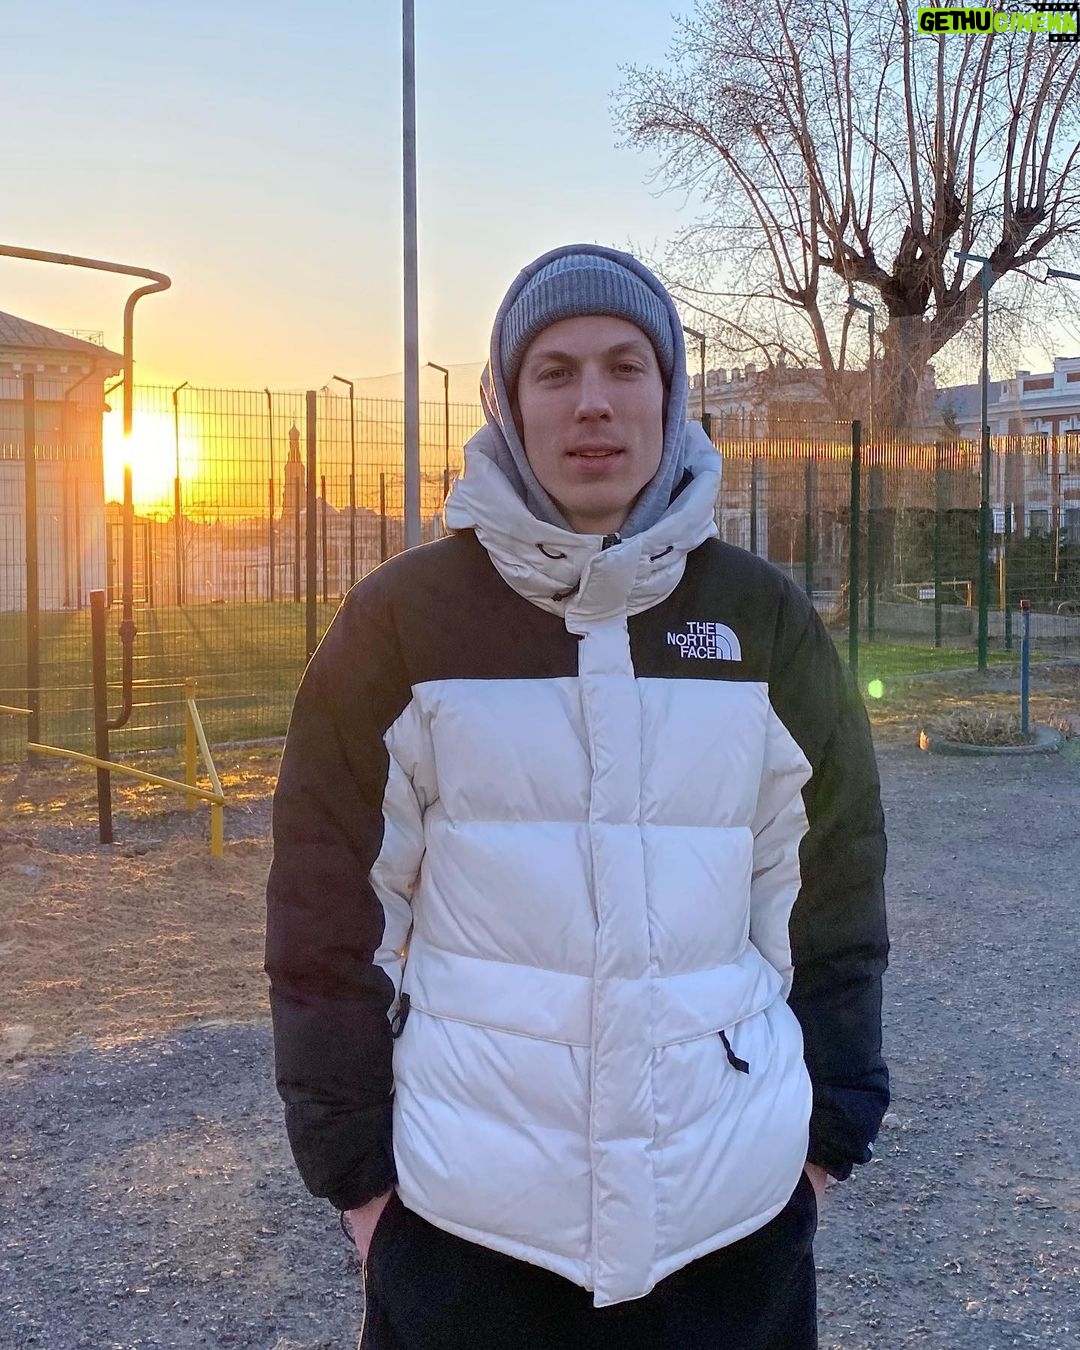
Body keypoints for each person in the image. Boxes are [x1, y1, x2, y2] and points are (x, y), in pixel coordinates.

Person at [265, 244, 889, 1349]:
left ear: (669, 393)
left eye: (624, 365)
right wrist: (361, 1186)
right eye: (555, 372)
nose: (592, 401)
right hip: (467, 1236)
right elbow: (328, 917)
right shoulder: (401, 625)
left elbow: (831, 892)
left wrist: (822, 1144)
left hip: (727, 1228)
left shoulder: (762, 619)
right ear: (509, 404)